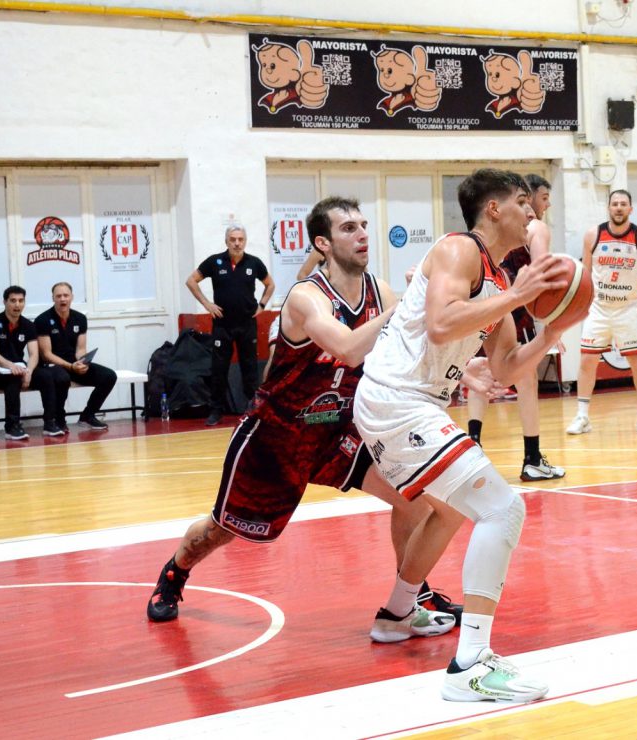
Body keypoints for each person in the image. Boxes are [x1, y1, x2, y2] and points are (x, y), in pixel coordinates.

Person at [147, 197, 471, 640]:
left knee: (413, 502)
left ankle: (410, 595)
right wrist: (409, 302)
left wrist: (466, 366)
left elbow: (413, 347)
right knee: (220, 531)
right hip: (277, 436)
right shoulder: (306, 297)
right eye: (348, 229)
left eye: (363, 226)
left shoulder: (382, 292)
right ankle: (175, 572)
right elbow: (348, 348)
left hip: (340, 432)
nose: (361, 235)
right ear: (322, 242)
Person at [355, 169, 573, 703]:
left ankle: (396, 613)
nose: (534, 214)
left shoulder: (499, 281)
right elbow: (440, 324)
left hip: (410, 405)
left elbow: (504, 370)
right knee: (503, 509)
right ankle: (471, 665)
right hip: (396, 400)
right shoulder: (459, 248)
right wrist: (516, 298)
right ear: (494, 209)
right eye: (524, 203)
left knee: (452, 510)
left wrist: (551, 332)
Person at [465, 174, 565, 482]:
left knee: (481, 373)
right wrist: (551, 321)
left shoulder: (483, 246)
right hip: (514, 302)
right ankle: (532, 457)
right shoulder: (536, 227)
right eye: (542, 198)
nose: (545, 205)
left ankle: (473, 446)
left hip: (488, 298)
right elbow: (541, 272)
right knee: (526, 378)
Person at [566, 189, 637, 436]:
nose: (618, 208)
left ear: (630, 209)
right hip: (599, 308)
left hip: (628, 309)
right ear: (608, 208)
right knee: (587, 361)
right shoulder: (593, 235)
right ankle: (582, 417)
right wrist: (578, 305)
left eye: (623, 204)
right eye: (614, 204)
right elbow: (585, 274)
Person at [186, 225, 275, 426]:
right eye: (233, 239)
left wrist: (262, 305)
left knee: (250, 368)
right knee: (218, 369)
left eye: (240, 239)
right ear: (226, 241)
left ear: (245, 241)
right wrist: (207, 304)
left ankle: (253, 410)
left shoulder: (254, 263)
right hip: (222, 325)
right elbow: (191, 281)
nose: (237, 243)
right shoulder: (215, 261)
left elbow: (270, 284)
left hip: (246, 324)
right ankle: (216, 410)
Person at [0, 286, 69, 439]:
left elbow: (34, 354)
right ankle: (12, 426)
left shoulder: (28, 325)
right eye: (13, 301)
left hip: (19, 367)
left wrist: (29, 371)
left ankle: (50, 422)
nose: (17, 305)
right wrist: (11, 366)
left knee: (46, 376)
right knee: (13, 379)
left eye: (21, 301)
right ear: (5, 302)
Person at [34, 282, 117, 432]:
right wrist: (71, 366)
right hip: (52, 365)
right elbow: (46, 354)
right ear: (53, 298)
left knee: (109, 376)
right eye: (58, 296)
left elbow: (80, 349)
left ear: (72, 297)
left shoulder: (80, 318)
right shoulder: (42, 320)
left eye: (66, 295)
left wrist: (82, 362)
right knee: (62, 379)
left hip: (73, 363)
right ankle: (58, 419)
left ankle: (88, 415)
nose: (62, 299)